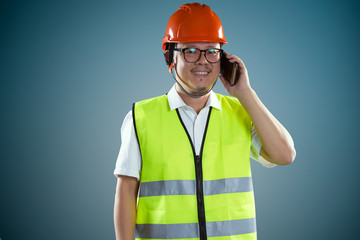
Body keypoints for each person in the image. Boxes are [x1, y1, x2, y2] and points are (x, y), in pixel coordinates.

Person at [113, 3, 296, 240]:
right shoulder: (141, 117)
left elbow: (285, 155)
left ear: (223, 58)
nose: (203, 61)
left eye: (211, 51)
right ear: (170, 57)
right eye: (190, 50)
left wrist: (245, 93)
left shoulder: (240, 111)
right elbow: (127, 190)